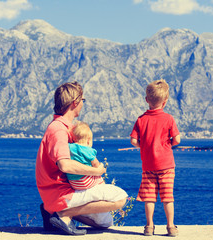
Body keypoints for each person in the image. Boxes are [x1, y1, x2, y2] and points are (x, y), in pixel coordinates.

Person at [36, 81, 127, 235]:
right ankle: (63, 214)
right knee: (120, 199)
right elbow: (64, 165)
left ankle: (51, 212)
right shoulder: (58, 129)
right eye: (83, 101)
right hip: (61, 193)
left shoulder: (66, 128)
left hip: (59, 193)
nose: (83, 104)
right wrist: (96, 171)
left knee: (105, 223)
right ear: (75, 102)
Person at [130, 79, 181, 237]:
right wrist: (168, 145)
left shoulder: (141, 120)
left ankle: (149, 227)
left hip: (148, 166)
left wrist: (144, 146)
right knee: (167, 197)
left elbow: (133, 141)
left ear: (147, 100)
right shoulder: (169, 119)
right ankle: (171, 227)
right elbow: (177, 140)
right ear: (165, 102)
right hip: (166, 165)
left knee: (149, 198)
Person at [67, 121, 104, 190]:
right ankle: (104, 191)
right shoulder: (89, 151)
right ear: (88, 140)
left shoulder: (69, 146)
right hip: (85, 181)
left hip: (73, 182)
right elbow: (96, 165)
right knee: (100, 178)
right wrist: (101, 165)